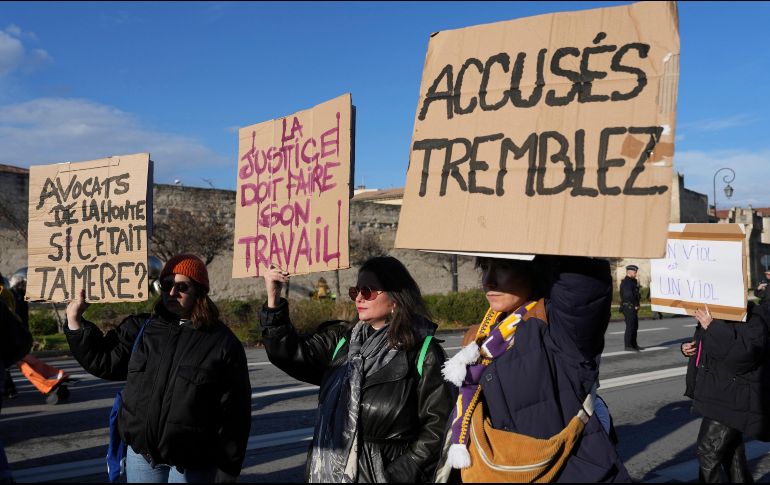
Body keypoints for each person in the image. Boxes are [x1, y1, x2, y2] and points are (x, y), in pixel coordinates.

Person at [436, 256, 630, 483]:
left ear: (535, 270)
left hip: (565, 472)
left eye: (503, 267)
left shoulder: (558, 328)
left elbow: (582, 286)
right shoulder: (483, 335)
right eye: (485, 267)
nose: (488, 281)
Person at [259, 256, 453, 483]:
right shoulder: (342, 341)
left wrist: (394, 477)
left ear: (395, 299)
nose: (359, 298)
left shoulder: (423, 352)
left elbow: (438, 429)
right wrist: (274, 299)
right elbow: (288, 353)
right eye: (355, 291)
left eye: (368, 291)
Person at [65, 254, 251, 483]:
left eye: (182, 287)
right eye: (166, 285)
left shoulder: (222, 343)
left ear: (200, 292)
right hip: (142, 458)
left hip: (194, 462)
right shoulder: (141, 328)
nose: (172, 292)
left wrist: (229, 468)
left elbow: (236, 412)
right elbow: (104, 361)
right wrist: (74, 320)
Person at [681, 301, 769, 483]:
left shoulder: (752, 314)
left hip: (734, 396)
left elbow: (744, 355)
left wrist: (711, 327)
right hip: (719, 391)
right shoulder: (716, 309)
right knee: (731, 452)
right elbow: (710, 344)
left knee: (708, 451)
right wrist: (689, 348)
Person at [620, 264, 644, 351]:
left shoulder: (632, 281)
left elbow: (635, 294)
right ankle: (628, 346)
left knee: (634, 326)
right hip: (629, 306)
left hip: (631, 306)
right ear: (629, 272)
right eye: (635, 272)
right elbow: (628, 295)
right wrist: (635, 304)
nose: (636, 273)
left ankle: (634, 344)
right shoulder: (627, 282)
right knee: (630, 326)